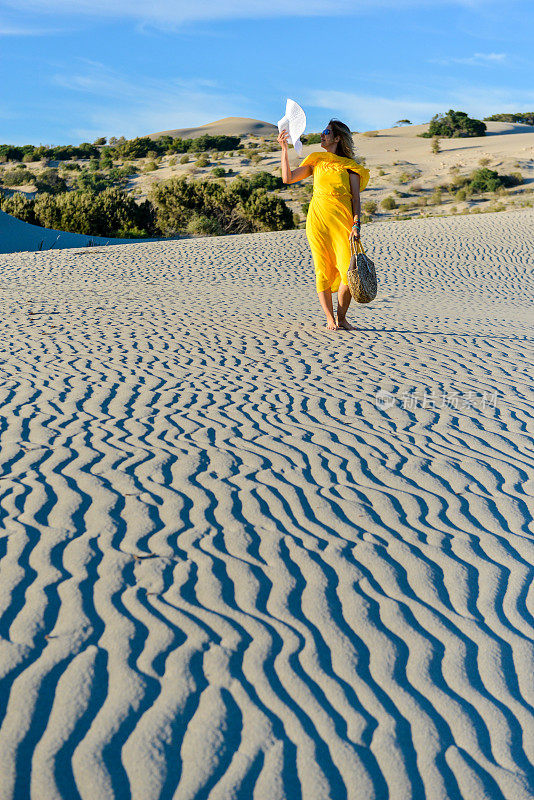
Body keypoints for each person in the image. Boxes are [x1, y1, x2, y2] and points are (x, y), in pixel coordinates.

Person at [278, 119, 370, 330]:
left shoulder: (351, 168)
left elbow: (356, 199)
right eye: (322, 131)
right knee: (322, 268)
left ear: (337, 138)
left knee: (348, 269)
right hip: (318, 221)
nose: (322, 135)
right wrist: (284, 148)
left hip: (344, 221)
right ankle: (330, 319)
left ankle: (342, 317)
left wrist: (357, 225)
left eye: (327, 132)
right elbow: (288, 178)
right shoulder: (316, 161)